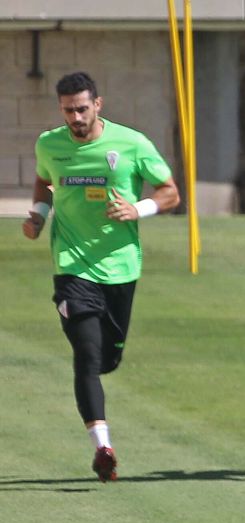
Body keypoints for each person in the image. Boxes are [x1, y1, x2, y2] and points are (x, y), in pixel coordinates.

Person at [23, 71, 180, 482]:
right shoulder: (49, 144)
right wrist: (38, 216)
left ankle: (104, 395)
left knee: (108, 358)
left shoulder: (131, 144)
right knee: (87, 357)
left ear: (98, 104)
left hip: (121, 267)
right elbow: (44, 180)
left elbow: (170, 192)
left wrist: (138, 209)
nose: (75, 117)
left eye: (81, 108)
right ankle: (103, 448)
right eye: (67, 110)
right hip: (72, 266)